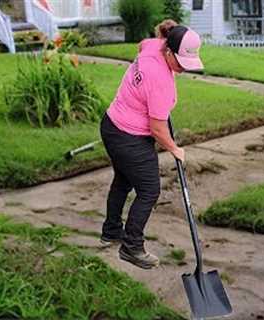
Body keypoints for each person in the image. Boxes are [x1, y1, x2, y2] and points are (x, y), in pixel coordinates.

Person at [99, 20, 204, 269]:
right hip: (129, 135)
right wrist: (175, 149)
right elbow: (158, 130)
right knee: (149, 190)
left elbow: (141, 45)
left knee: (123, 180)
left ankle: (111, 231)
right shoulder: (161, 81)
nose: (182, 68)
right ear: (169, 51)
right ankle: (131, 246)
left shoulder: (153, 46)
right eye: (180, 62)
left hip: (112, 125)